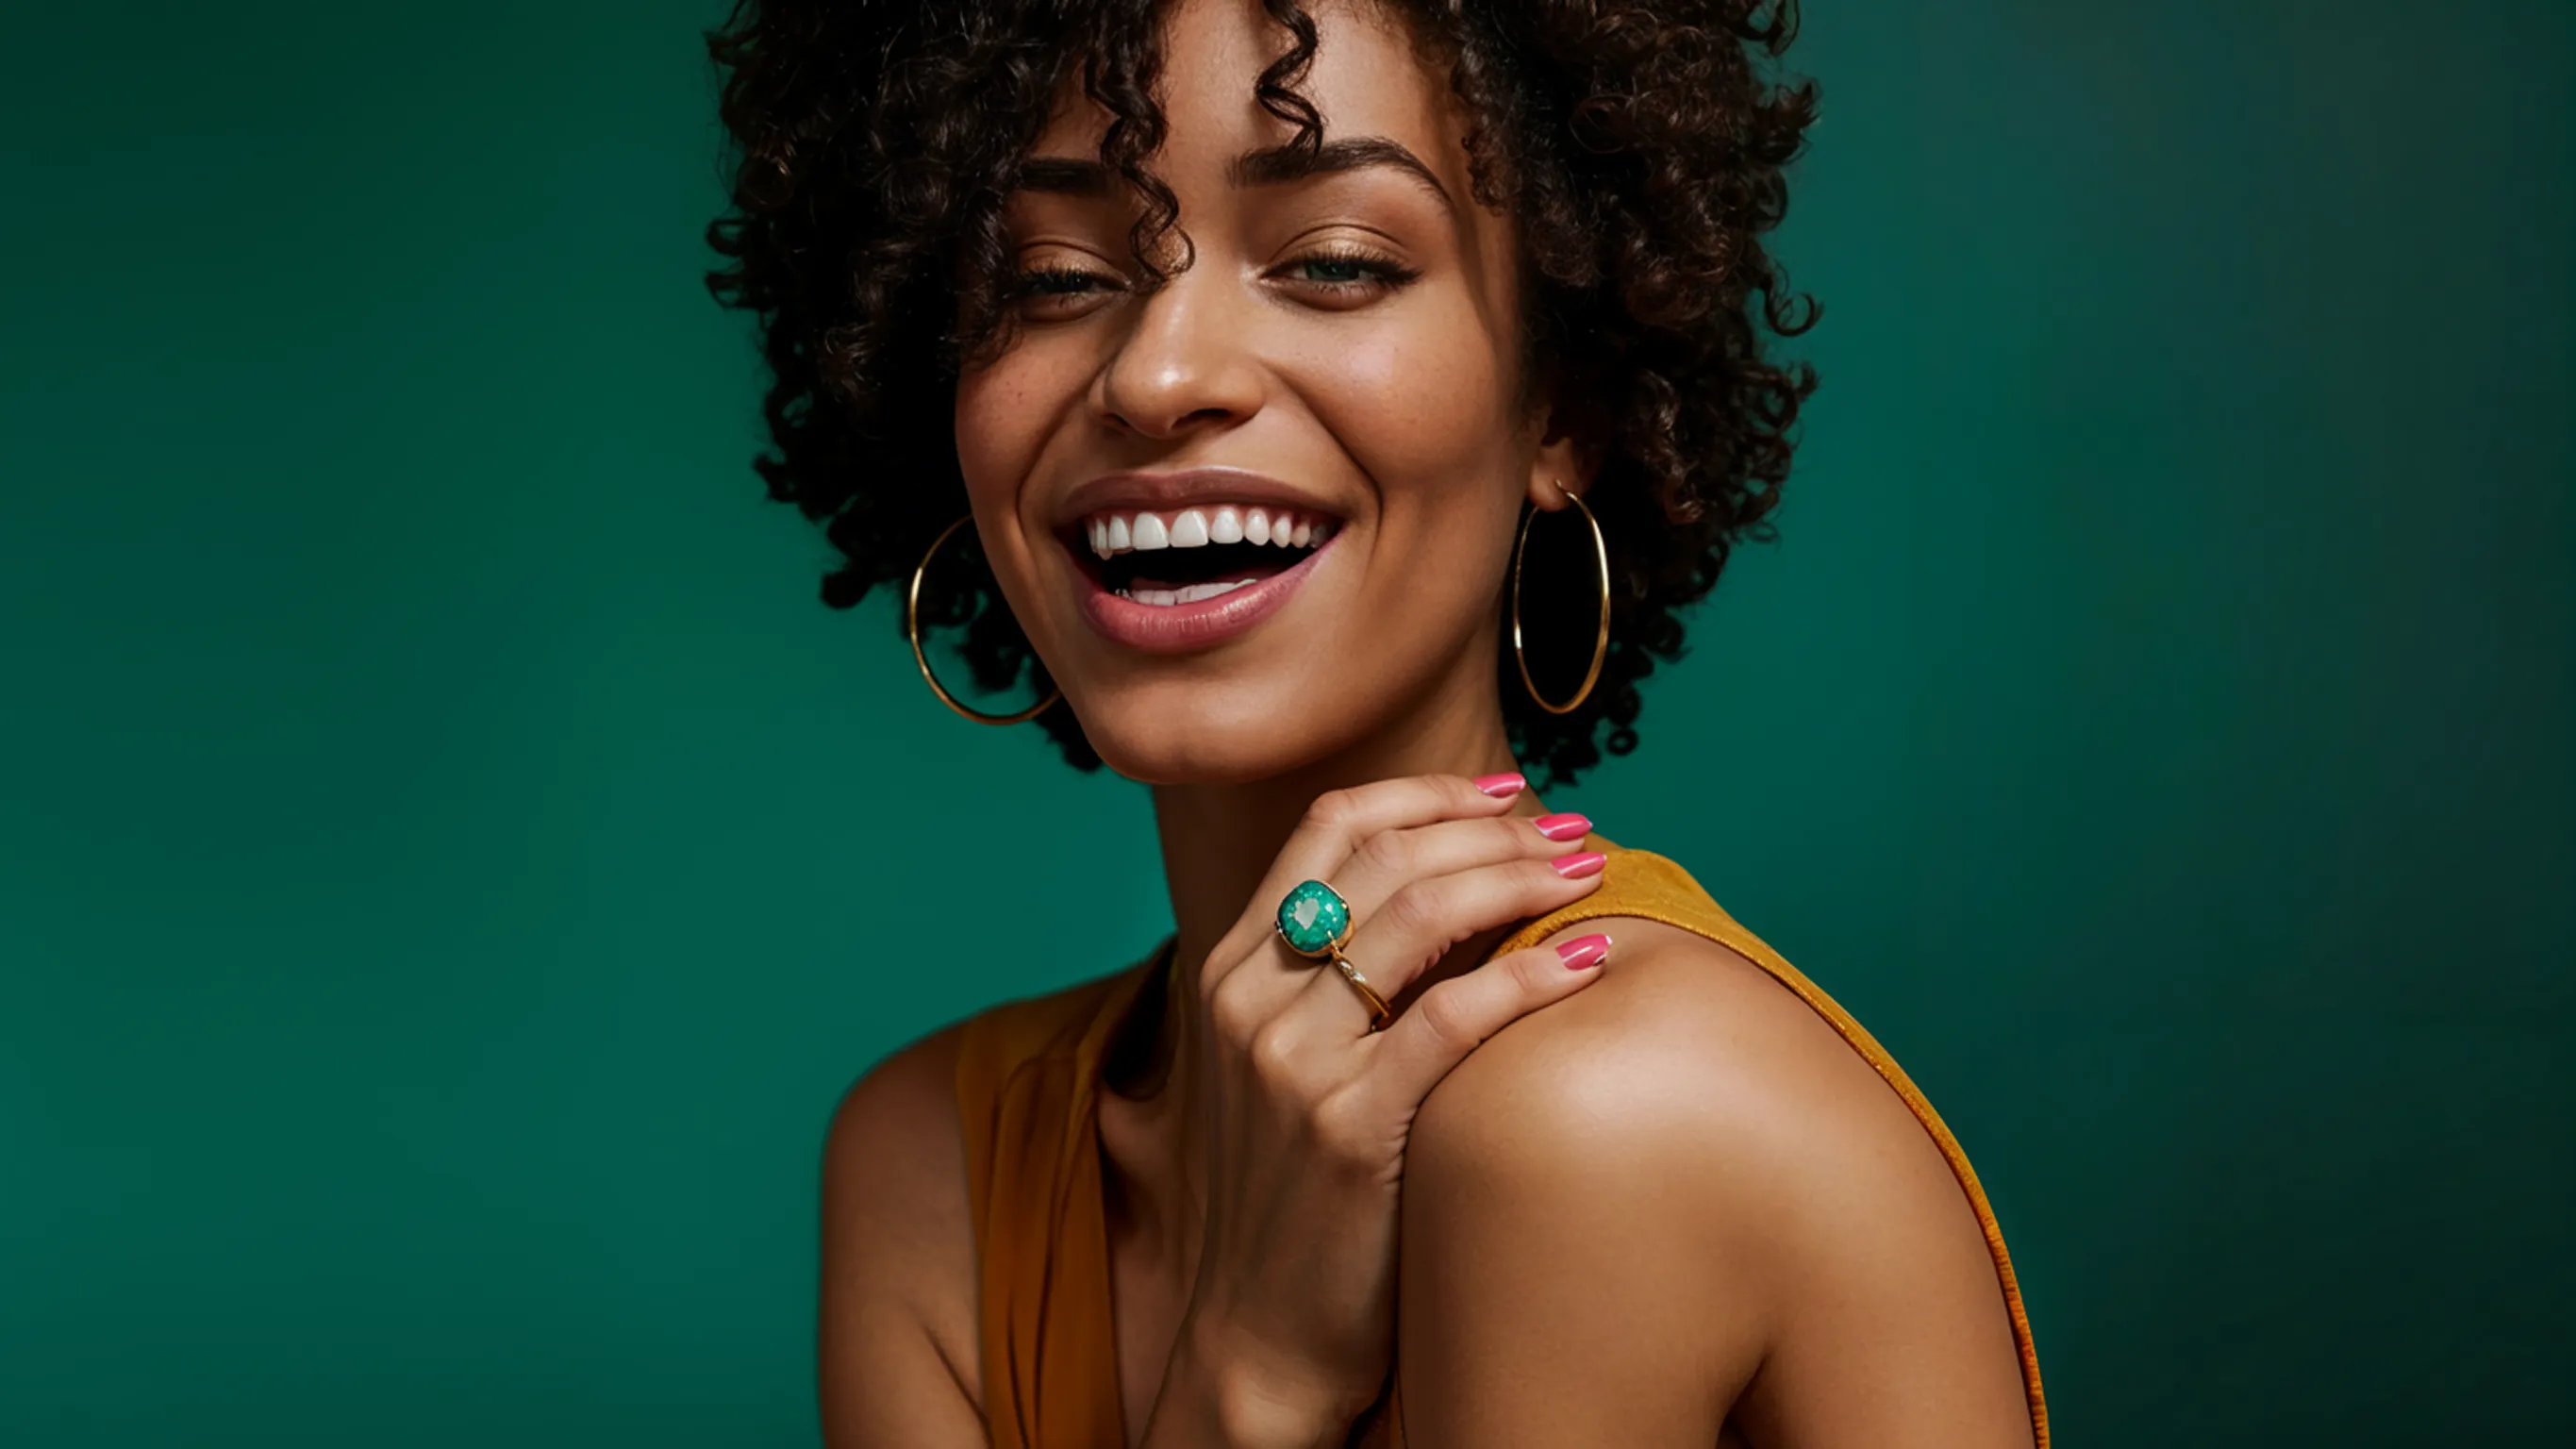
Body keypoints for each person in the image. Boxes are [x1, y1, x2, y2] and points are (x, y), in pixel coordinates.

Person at [706, 0, 2044, 1443]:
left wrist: (1250, 1382)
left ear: (1563, 408)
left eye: (1335, 262)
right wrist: (1246, 1367)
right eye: (1048, 280)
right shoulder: (936, 1165)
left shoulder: (1599, 1111)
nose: (1156, 378)